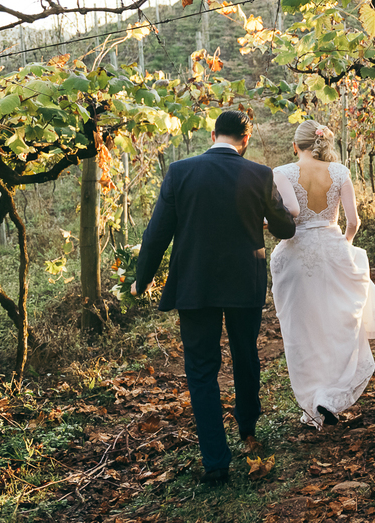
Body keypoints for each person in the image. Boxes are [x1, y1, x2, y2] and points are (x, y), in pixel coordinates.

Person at [131, 110, 295, 485]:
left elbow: (158, 232)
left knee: (201, 371)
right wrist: (268, 215)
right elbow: (286, 227)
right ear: (246, 139)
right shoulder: (259, 174)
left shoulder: (180, 172)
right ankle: (248, 427)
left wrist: (142, 278)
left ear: (212, 134)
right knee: (245, 355)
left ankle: (216, 463)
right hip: (244, 283)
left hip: (195, 285)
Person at [270, 120, 375, 429]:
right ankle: (330, 394)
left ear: (295, 146)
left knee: (303, 331)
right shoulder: (340, 172)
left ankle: (314, 399)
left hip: (296, 256)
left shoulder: (281, 173)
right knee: (338, 324)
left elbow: (288, 215)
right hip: (333, 249)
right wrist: (342, 247)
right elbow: (353, 222)